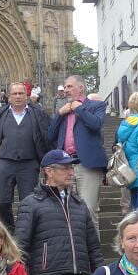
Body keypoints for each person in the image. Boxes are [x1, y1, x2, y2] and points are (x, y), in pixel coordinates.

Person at [0, 82, 51, 231]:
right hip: (5, 163)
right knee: (2, 200)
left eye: (21, 93)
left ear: (26, 96)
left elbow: (49, 135)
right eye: (15, 93)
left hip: (29, 164)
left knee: (29, 202)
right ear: (9, 97)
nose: (18, 96)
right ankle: (9, 231)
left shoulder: (38, 114)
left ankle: (25, 232)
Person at [48, 75, 108, 232]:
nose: (66, 90)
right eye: (65, 87)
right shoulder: (64, 111)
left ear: (81, 88)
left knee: (88, 212)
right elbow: (50, 136)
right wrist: (59, 114)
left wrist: (78, 108)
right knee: (67, 214)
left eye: (69, 86)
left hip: (87, 165)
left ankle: (93, 248)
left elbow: (96, 124)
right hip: (65, 166)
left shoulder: (96, 105)